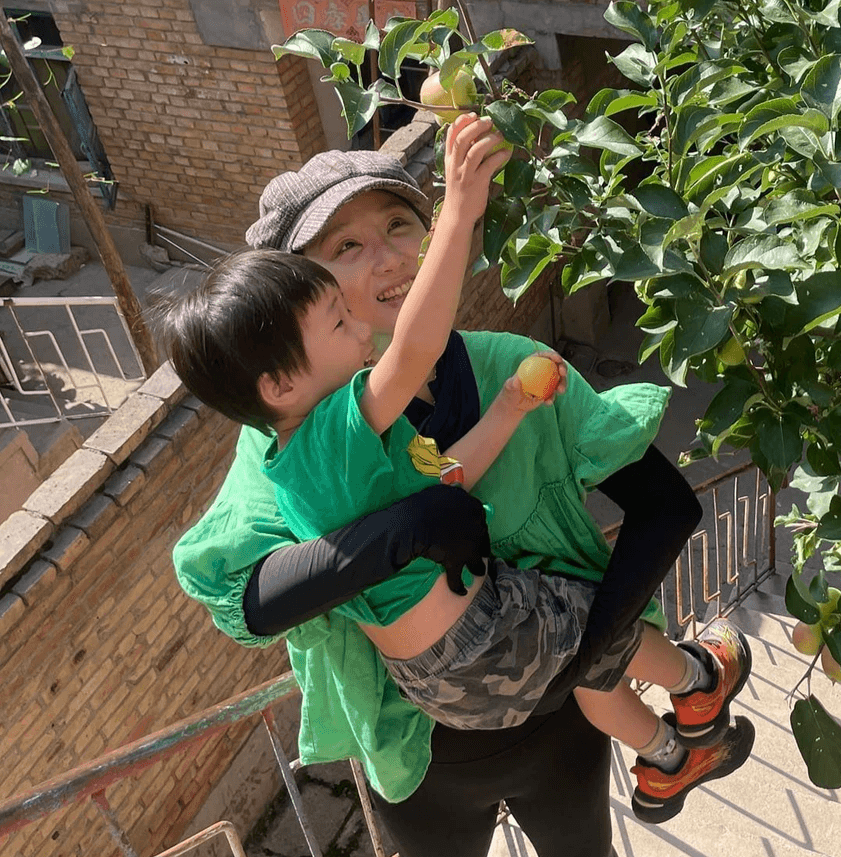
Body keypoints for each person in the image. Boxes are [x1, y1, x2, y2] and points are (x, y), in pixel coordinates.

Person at [171, 130, 746, 854]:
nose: (385, 258)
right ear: (293, 292)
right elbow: (244, 598)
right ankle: (691, 692)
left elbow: (669, 506)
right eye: (344, 247)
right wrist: (399, 533)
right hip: (420, 758)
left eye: (399, 226)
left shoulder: (511, 364)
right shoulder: (284, 439)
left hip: (559, 726)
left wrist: (587, 657)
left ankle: (676, 723)